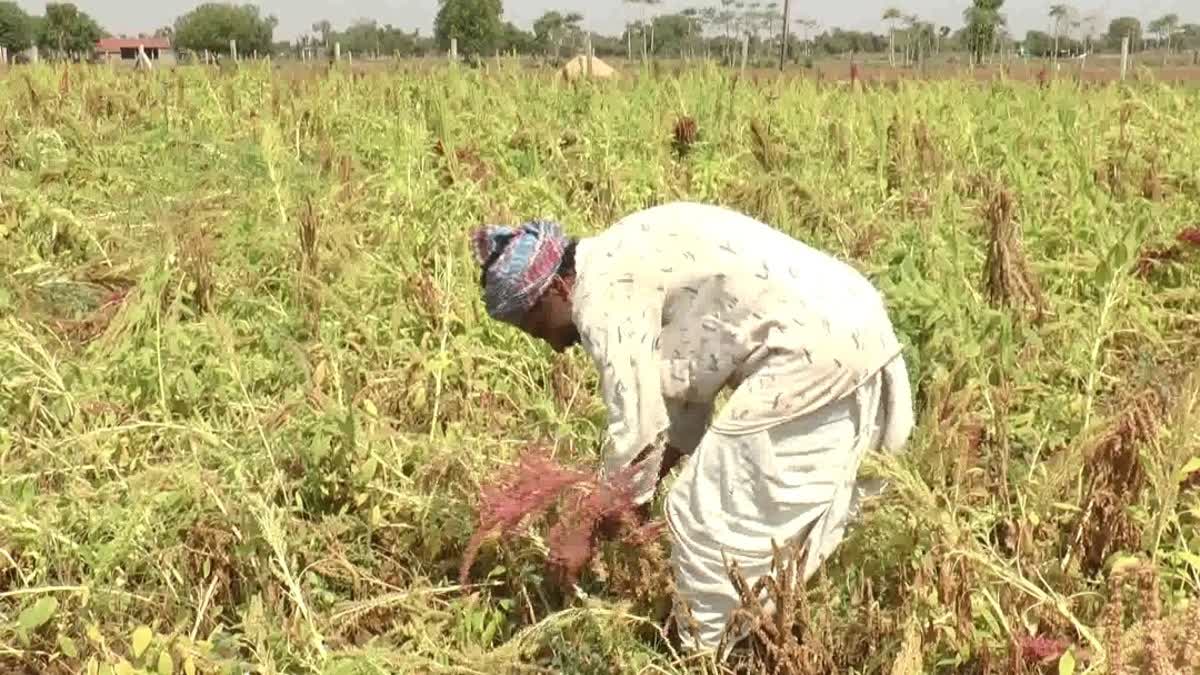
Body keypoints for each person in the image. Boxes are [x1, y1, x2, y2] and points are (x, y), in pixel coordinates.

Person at [469, 201, 915, 655]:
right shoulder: (623, 249)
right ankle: (764, 642)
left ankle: (712, 656)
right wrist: (627, 504)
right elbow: (679, 405)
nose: (554, 348)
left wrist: (585, 525)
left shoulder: (599, 296)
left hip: (811, 348)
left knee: (703, 523)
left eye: (537, 328)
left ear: (557, 289)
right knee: (758, 526)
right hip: (852, 319)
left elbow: (638, 424)